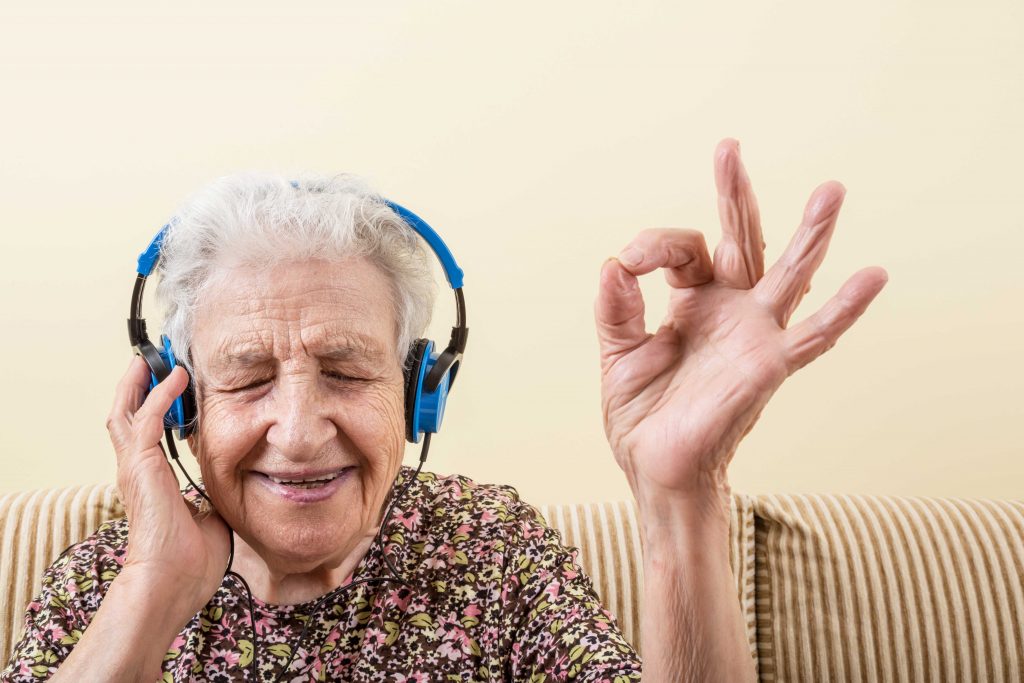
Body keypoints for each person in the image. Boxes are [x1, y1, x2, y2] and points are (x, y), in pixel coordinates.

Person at [2, 138, 887, 682]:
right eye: (246, 378)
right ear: (178, 398)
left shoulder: (488, 549)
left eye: (347, 372)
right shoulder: (102, 584)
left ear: (421, 389)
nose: (302, 430)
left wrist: (682, 494)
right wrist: (153, 595)